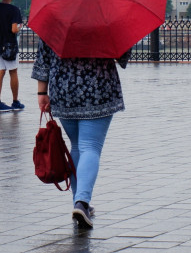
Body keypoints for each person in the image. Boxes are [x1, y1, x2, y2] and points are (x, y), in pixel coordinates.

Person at [32, 40, 130, 229]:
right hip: (99, 88)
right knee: (90, 146)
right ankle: (82, 203)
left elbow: (43, 58)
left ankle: (79, 201)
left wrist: (41, 92)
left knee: (77, 146)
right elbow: (122, 55)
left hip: (63, 89)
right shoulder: (104, 18)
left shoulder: (55, 17)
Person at [0, 0, 24, 112]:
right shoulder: (14, 9)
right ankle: (15, 101)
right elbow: (14, 29)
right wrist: (21, 27)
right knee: (13, 72)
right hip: (9, 45)